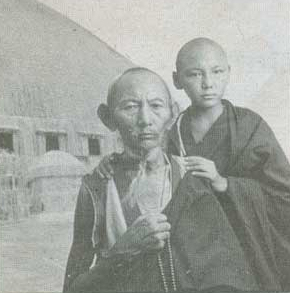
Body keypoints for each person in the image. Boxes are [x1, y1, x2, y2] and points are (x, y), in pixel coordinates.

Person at [96, 38, 290, 291]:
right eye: (195, 74)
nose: (208, 83)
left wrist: (225, 184)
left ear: (229, 72)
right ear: (177, 80)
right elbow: (145, 161)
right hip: (191, 251)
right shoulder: (170, 129)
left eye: (217, 72)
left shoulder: (250, 126)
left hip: (247, 241)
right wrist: (112, 162)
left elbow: (283, 195)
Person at [63, 67, 179, 292]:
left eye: (156, 106)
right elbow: (72, 287)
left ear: (172, 113)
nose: (145, 119)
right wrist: (121, 252)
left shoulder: (189, 177)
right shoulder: (96, 188)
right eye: (130, 107)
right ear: (107, 117)